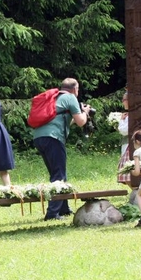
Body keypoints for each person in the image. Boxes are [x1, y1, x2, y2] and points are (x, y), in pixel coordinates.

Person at [32, 78, 91, 221]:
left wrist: (76, 114)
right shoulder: (70, 97)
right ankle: (52, 214)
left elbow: (66, 121)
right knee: (59, 176)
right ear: (75, 89)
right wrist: (85, 112)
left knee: (56, 172)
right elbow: (81, 122)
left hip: (39, 137)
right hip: (54, 138)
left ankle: (63, 209)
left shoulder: (55, 98)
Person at [116, 92, 131, 188]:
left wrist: (121, 120)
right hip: (127, 143)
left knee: (126, 168)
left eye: (124, 100)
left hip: (129, 144)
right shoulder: (128, 114)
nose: (123, 102)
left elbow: (124, 130)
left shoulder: (129, 116)